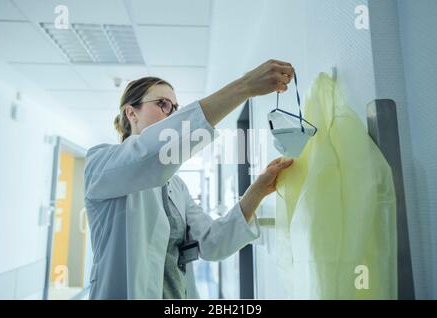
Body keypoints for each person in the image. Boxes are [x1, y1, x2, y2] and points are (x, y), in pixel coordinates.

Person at [84, 59, 295, 299]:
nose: (172, 113)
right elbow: (154, 152)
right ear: (131, 112)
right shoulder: (101, 164)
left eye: (175, 108)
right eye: (162, 104)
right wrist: (244, 86)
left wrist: (256, 191)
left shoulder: (176, 187)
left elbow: (212, 243)